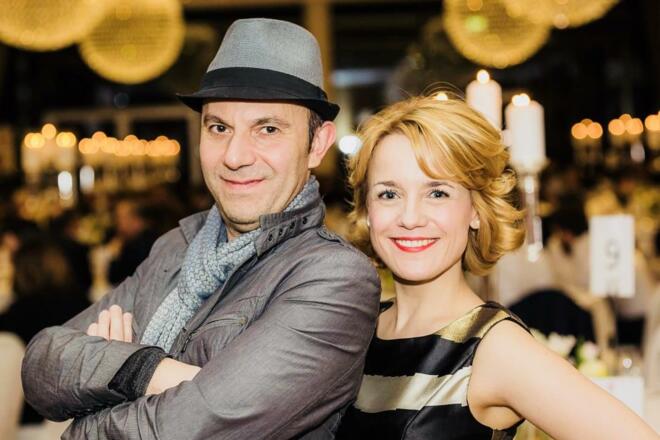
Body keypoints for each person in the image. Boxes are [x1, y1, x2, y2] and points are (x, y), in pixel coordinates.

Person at [21, 18, 380, 439]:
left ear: (316, 144)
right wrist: (146, 369)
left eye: (268, 129)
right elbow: (41, 365)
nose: (234, 156)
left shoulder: (334, 277)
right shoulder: (178, 246)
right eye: (219, 128)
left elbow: (185, 429)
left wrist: (94, 403)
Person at [335, 95, 659, 439]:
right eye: (389, 194)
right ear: (367, 210)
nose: (410, 217)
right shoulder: (358, 329)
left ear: (476, 210)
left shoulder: (495, 349)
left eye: (437, 193)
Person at [0, 236, 89, 424]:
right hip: (84, 410)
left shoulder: (18, 314)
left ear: (22, 272)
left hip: (30, 415)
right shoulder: (86, 305)